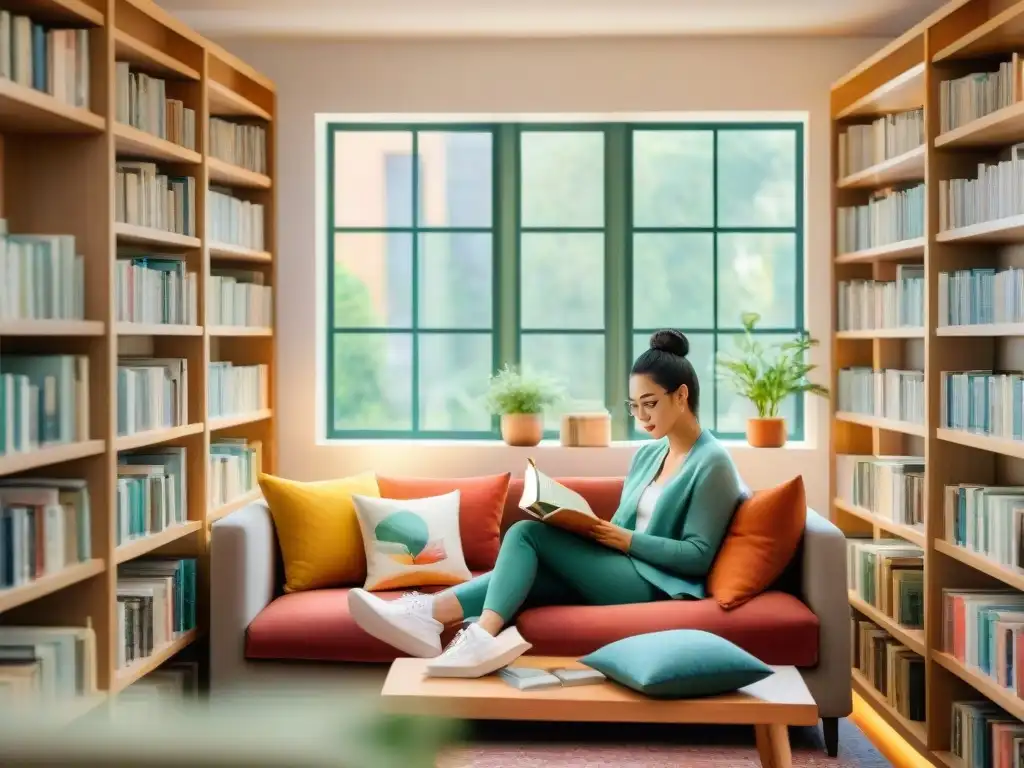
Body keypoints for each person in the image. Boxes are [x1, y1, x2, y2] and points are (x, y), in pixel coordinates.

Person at [347, 328, 746, 675]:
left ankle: (479, 635)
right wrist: (585, 526)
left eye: (649, 403)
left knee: (525, 535)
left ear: (681, 395)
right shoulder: (649, 453)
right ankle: (429, 616)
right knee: (527, 570)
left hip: (656, 584)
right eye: (634, 405)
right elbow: (627, 521)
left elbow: (698, 556)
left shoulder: (712, 462)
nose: (641, 416)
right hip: (623, 567)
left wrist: (622, 540)